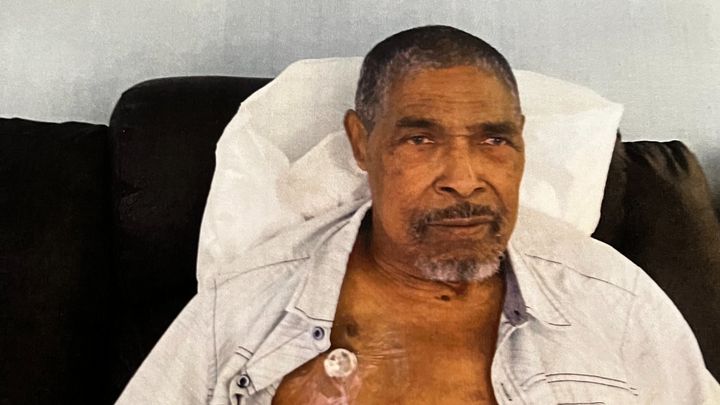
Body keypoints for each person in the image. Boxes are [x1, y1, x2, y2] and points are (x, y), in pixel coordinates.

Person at [116, 25, 720, 405]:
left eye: (494, 139)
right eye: (420, 139)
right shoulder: (246, 303)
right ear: (361, 143)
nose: (464, 177)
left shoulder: (613, 300)